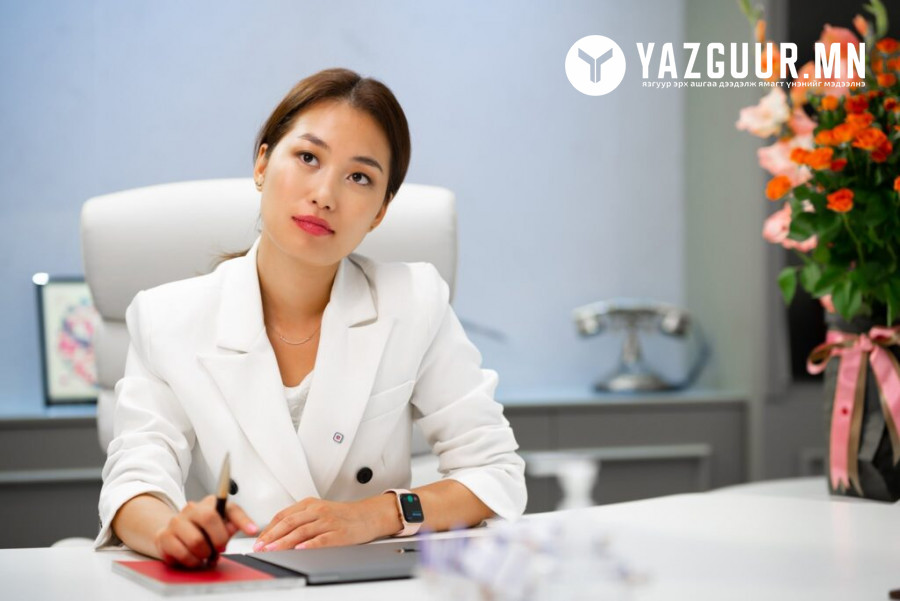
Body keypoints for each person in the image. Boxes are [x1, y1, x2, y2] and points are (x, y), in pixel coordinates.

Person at [94, 68, 527, 568]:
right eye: (307, 158)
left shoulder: (414, 301)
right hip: (242, 575)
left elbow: (494, 471)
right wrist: (169, 531)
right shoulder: (166, 318)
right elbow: (134, 480)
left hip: (372, 577)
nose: (325, 195)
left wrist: (375, 514)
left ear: (380, 212)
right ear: (262, 164)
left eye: (359, 177)